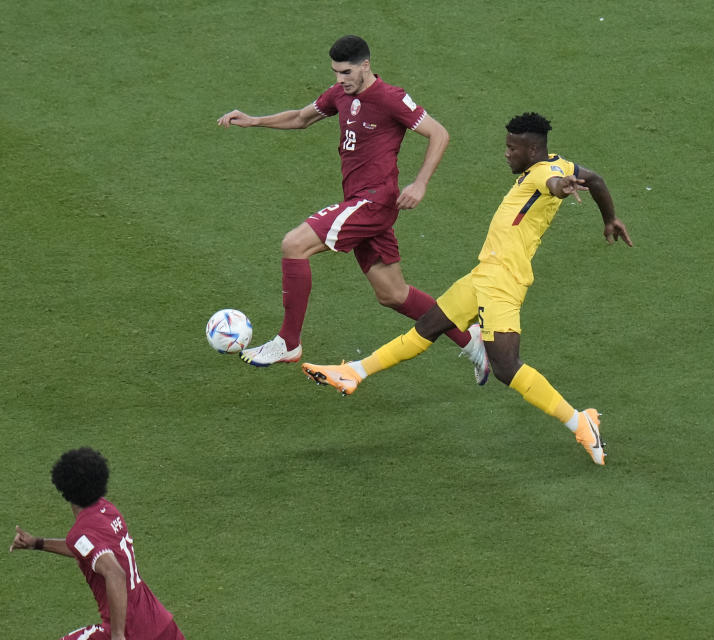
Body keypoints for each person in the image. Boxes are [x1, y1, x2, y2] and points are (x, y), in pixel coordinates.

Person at [301, 112, 632, 465]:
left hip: (502, 280)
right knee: (428, 326)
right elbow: (594, 178)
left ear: (532, 149)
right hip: (485, 274)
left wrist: (561, 188)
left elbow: (554, 183)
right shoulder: (558, 164)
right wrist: (609, 217)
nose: (506, 153)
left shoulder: (546, 173)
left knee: (506, 367)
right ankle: (353, 372)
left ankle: (581, 423)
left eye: (512, 148)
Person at [217, 35, 489, 383]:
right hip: (358, 202)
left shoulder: (391, 98)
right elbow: (300, 118)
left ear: (365, 65)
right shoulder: (339, 95)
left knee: (294, 244)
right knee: (393, 294)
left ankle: (288, 342)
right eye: (334, 72)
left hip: (374, 201)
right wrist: (254, 120)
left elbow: (439, 133)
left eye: (345, 72)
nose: (339, 79)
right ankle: (472, 340)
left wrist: (420, 183)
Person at [9, 448, 185, 640]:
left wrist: (118, 636)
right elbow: (88, 549)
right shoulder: (108, 510)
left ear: (63, 488)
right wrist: (38, 543)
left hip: (130, 631)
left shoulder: (81, 532)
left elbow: (115, 573)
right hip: (160, 624)